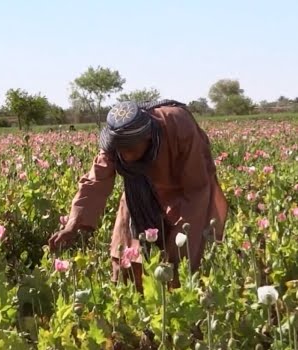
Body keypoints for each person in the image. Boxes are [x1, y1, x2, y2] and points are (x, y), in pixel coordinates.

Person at [48, 99, 228, 291]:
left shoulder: (178, 125)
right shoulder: (113, 143)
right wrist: (72, 224)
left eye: (131, 150)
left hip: (187, 187)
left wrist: (179, 242)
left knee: (182, 255)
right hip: (138, 193)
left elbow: (196, 189)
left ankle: (177, 300)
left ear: (149, 138)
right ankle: (131, 298)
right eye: (121, 151)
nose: (125, 157)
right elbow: (95, 182)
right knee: (126, 252)